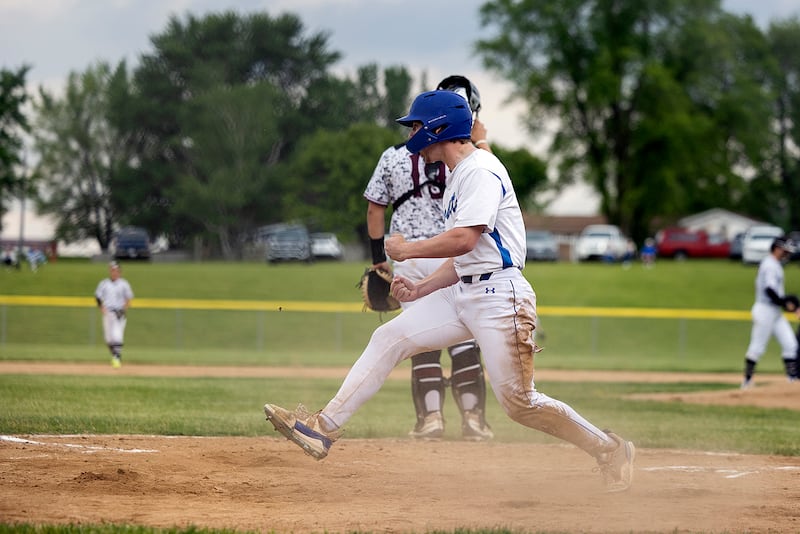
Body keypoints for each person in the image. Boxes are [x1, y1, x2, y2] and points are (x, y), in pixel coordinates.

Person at [264, 90, 636, 492]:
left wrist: (407, 250)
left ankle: (609, 448)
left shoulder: (480, 171)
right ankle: (322, 429)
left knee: (519, 404)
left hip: (501, 298)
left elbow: (463, 239)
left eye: (418, 125)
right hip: (466, 293)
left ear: (440, 127)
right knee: (389, 336)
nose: (413, 134)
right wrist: (421, 288)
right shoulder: (460, 176)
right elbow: (464, 258)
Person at [364, 75, 493, 441]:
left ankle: (431, 419)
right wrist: (481, 136)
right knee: (464, 338)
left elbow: (375, 208)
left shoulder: (393, 157)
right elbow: (491, 180)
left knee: (421, 340)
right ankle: (474, 420)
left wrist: (379, 260)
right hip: (449, 251)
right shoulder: (471, 158)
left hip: (409, 255)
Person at [741, 236, 799, 388]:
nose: (787, 254)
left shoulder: (776, 264)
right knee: (757, 347)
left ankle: (792, 380)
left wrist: (783, 303)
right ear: (777, 248)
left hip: (775, 311)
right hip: (765, 310)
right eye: (785, 251)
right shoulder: (770, 265)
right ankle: (747, 381)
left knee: (790, 344)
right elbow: (769, 289)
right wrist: (784, 302)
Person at [94, 261, 134, 368]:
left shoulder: (124, 283)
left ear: (120, 272)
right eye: (112, 270)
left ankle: (116, 358)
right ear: (110, 271)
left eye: (116, 270)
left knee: (117, 335)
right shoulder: (104, 283)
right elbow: (97, 296)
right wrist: (101, 308)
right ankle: (116, 355)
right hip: (108, 313)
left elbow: (128, 298)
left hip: (119, 312)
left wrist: (124, 310)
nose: (114, 272)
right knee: (108, 339)